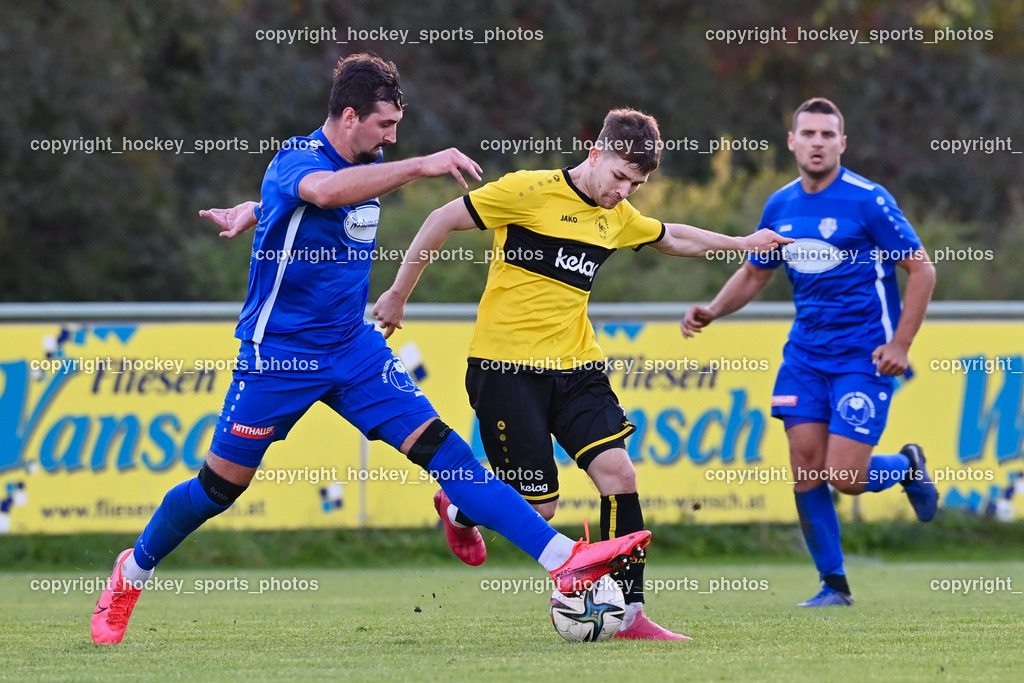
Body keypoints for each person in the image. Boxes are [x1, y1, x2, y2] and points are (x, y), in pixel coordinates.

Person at [90, 53, 653, 645]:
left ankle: (565, 559)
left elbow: (314, 203)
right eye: (384, 126)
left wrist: (257, 211)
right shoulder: (297, 159)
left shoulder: (367, 158)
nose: (391, 138)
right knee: (218, 490)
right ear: (350, 115)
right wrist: (420, 166)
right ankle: (131, 573)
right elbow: (324, 192)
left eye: (397, 131)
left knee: (448, 452)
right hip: (279, 356)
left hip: (355, 350)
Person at [373, 108, 792, 640]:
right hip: (506, 369)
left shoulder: (617, 218)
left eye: (635, 184)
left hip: (577, 368)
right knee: (540, 506)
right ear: (596, 153)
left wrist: (742, 244)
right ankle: (460, 507)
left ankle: (629, 615)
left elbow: (672, 237)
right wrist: (397, 294)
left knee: (620, 475)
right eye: (619, 177)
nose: (623, 192)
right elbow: (440, 220)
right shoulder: (528, 191)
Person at [681, 97, 938, 607]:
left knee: (844, 477)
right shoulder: (780, 206)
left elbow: (922, 269)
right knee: (805, 466)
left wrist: (901, 345)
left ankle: (907, 467)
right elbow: (756, 271)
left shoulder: (869, 200)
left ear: (842, 143)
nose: (817, 142)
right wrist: (712, 310)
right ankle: (833, 585)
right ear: (792, 142)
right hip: (804, 358)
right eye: (809, 134)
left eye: (828, 135)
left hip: (863, 358)